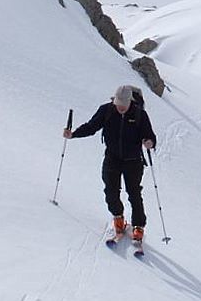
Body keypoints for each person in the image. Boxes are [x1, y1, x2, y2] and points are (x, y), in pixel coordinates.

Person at [64, 85, 156, 241]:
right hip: (112, 157)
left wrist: (149, 142)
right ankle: (118, 218)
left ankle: (138, 226)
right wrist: (73, 134)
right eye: (118, 104)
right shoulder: (106, 111)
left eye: (123, 105)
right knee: (110, 191)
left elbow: (150, 136)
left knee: (134, 194)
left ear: (130, 102)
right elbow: (91, 127)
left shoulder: (140, 114)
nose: (120, 108)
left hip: (133, 160)